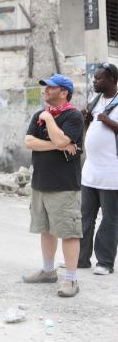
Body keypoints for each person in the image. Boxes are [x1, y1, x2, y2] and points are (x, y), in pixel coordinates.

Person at [23, 74, 84, 297]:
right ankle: (48, 271)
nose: (45, 91)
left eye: (50, 88)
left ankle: (71, 279)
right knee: (46, 229)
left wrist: (49, 121)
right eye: (45, 87)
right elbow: (29, 142)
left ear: (64, 92)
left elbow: (62, 140)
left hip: (64, 186)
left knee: (68, 232)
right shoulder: (38, 115)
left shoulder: (73, 116)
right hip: (40, 183)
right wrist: (57, 144)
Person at [79, 63, 118, 275]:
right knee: (85, 218)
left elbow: (109, 128)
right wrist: (87, 120)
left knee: (110, 220)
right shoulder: (94, 102)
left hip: (112, 174)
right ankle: (81, 258)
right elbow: (91, 132)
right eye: (94, 78)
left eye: (99, 78)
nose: (94, 81)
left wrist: (108, 122)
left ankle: (105, 262)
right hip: (90, 173)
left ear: (112, 80)